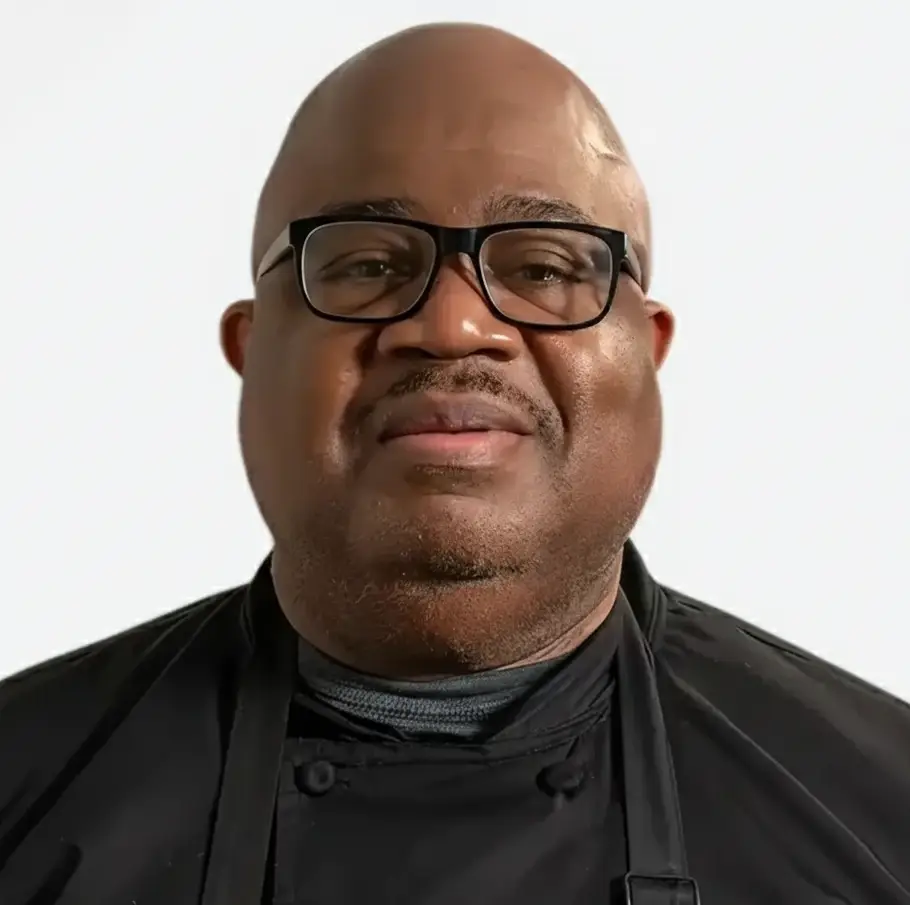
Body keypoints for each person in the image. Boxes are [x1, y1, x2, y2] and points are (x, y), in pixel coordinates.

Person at [1, 22, 908, 905]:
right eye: (363, 264)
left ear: (649, 348)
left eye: (548, 268)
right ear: (250, 346)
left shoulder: (884, 814)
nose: (452, 325)